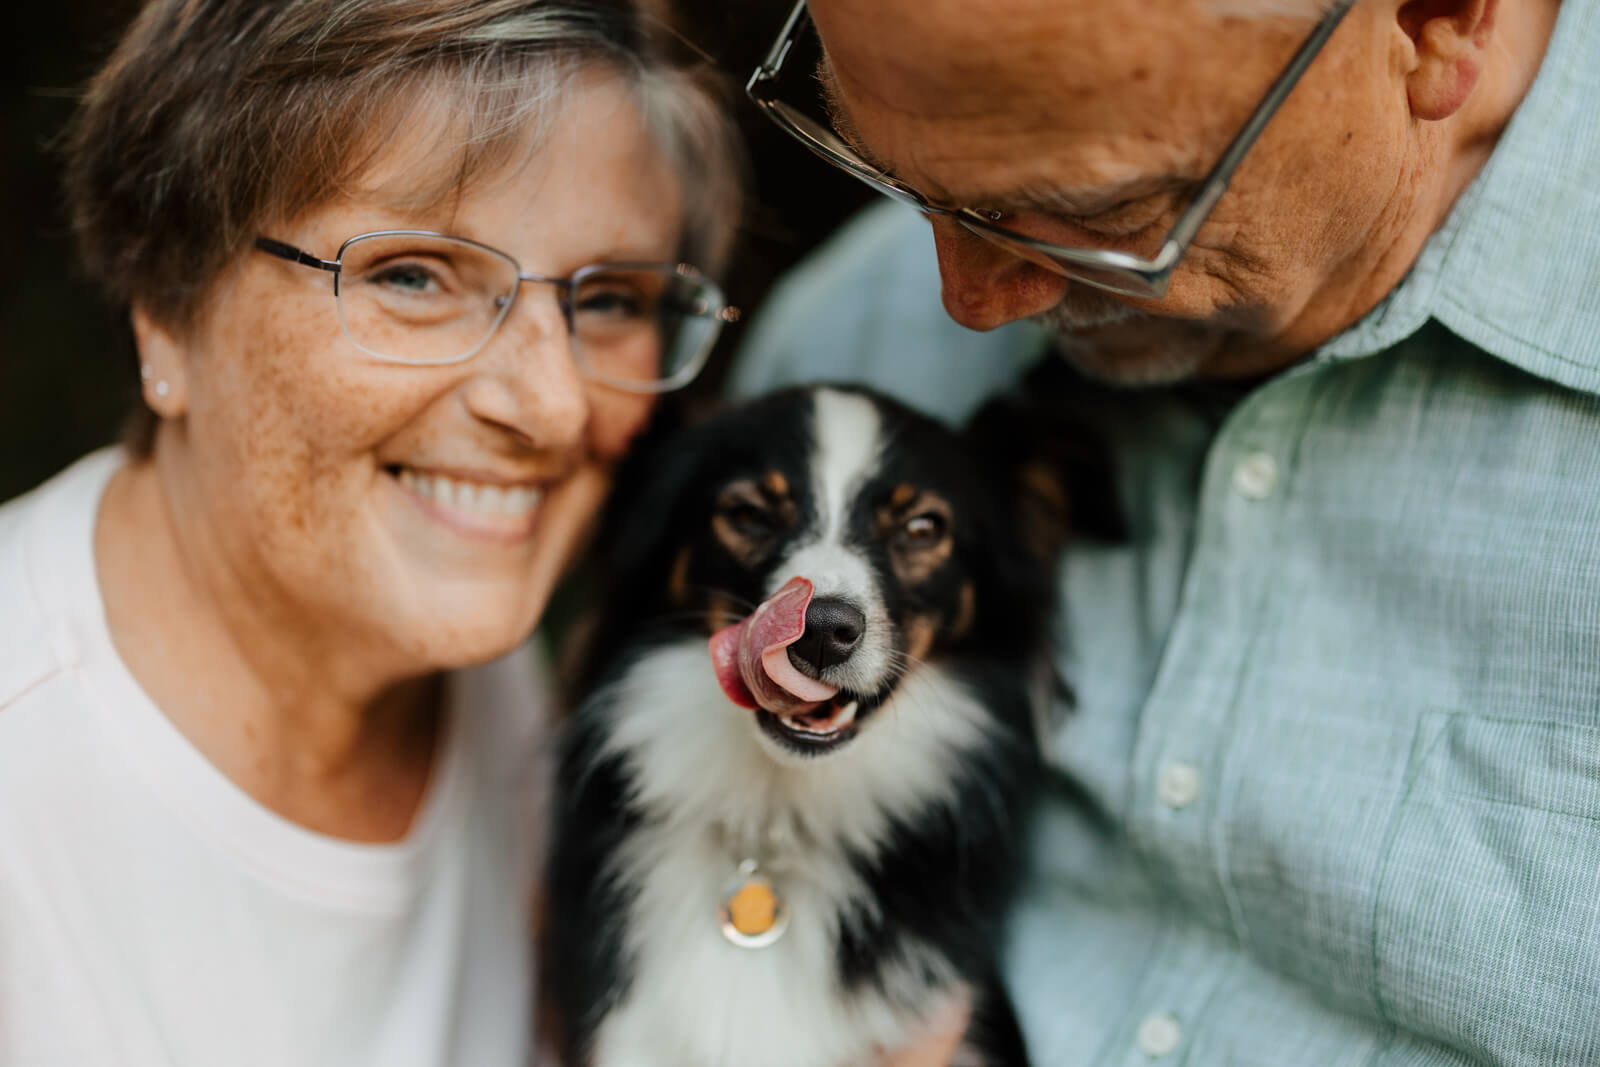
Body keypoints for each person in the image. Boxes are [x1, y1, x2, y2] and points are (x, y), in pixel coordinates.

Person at [731, 0, 1600, 1063]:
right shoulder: (848, 351)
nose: (967, 299)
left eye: (1101, 209)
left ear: (1432, 27)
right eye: (890, 170)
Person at [0, 1, 741, 1063]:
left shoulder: (486, 667)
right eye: (411, 276)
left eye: (611, 298)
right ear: (162, 304)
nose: (551, 405)